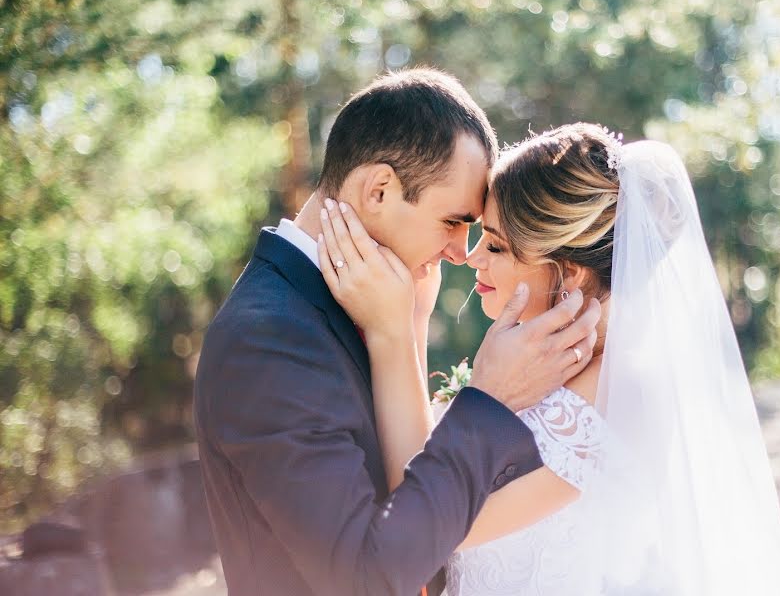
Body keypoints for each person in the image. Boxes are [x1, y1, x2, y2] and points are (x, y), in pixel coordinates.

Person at [319, 122, 780, 595]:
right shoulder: (543, 367)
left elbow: (428, 524)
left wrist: (396, 333)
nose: (472, 258)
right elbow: (431, 475)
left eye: (498, 244)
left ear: (568, 271)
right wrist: (418, 318)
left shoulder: (620, 392)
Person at [192, 70, 600, 596]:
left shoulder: (348, 309)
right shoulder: (269, 340)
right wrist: (488, 401)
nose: (460, 252)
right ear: (378, 189)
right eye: (452, 221)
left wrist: (406, 329)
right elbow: (366, 578)